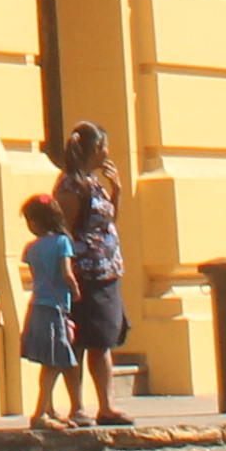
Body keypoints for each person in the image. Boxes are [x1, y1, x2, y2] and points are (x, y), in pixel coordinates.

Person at [55, 120, 132, 428]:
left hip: (106, 272)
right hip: (82, 275)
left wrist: (117, 191)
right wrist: (67, 271)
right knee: (78, 341)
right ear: (96, 148)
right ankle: (77, 407)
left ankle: (107, 407)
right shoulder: (70, 185)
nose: (108, 152)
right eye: (105, 146)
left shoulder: (95, 182)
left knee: (102, 341)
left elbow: (107, 223)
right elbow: (65, 230)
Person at [15, 193, 85, 430]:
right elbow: (66, 273)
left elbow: (37, 278)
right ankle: (39, 414)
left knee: (49, 360)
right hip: (56, 309)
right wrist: (76, 290)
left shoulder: (31, 249)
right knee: (54, 363)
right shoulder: (63, 242)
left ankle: (49, 409)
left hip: (37, 307)